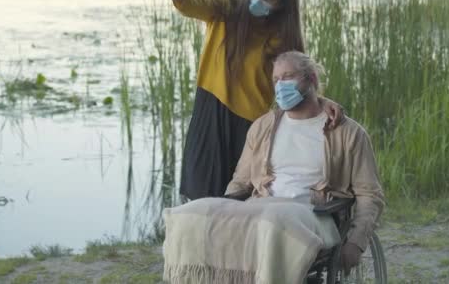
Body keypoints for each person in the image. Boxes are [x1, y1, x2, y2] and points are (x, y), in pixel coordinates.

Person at [162, 51, 385, 283]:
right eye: (276, 80)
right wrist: (224, 212)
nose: (280, 86)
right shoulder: (263, 127)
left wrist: (356, 242)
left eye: (288, 77)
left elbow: (370, 194)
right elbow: (241, 181)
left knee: (274, 220)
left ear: (312, 80)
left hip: (314, 214)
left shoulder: (348, 133)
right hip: (262, 207)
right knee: (190, 213)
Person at [130, 0, 344, 200]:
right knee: (202, 194)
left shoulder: (282, 37)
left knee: (239, 198)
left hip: (249, 126)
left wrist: (321, 102)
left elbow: (300, 77)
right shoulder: (226, 10)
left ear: (282, 6)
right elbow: (196, 0)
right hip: (210, 113)